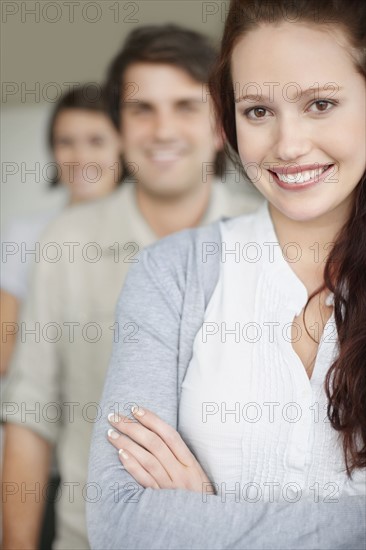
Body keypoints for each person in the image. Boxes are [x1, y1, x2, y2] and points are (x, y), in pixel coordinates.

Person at [87, 1, 366, 548]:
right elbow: (118, 522)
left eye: (321, 103)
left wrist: (203, 518)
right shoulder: (172, 273)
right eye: (258, 111)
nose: (288, 146)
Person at [1, 25, 262, 550]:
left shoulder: (267, 240)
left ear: (219, 126)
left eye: (186, 106)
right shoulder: (64, 241)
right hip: (86, 538)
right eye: (142, 109)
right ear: (120, 127)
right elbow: (31, 413)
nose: (163, 130)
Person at [0, 84, 122, 375]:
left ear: (124, 145)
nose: (80, 157)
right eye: (65, 141)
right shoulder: (25, 234)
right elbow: (3, 353)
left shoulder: (152, 233)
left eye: (96, 141)